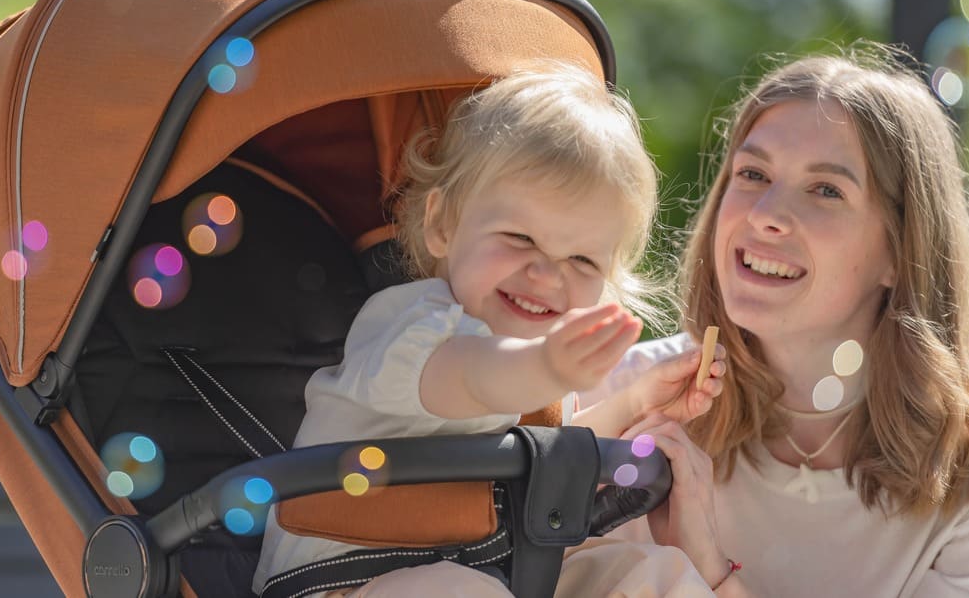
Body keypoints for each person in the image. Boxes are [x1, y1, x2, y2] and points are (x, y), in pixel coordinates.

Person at [252, 60, 727, 597]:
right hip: (347, 582)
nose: (547, 274)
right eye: (520, 238)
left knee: (647, 575)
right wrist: (546, 366)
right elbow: (474, 377)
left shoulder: (540, 370)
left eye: (581, 260)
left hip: (499, 573)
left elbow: (547, 455)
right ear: (442, 224)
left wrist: (638, 401)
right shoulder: (410, 325)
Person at [587, 43, 969, 596]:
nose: (766, 215)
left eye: (825, 190)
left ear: (900, 252)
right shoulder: (622, 396)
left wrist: (705, 567)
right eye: (751, 173)